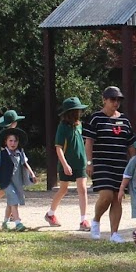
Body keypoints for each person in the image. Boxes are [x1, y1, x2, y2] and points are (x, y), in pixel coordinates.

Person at [84, 89, 134, 242]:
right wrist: (89, 162)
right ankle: (96, 220)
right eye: (112, 99)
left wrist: (134, 164)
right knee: (106, 195)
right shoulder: (95, 118)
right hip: (101, 163)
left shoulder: (124, 120)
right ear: (104, 100)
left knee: (117, 199)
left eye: (118, 100)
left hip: (120, 164)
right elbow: (89, 142)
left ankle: (114, 233)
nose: (116, 103)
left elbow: (131, 144)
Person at [47, 97, 90, 230]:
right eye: (76, 111)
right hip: (67, 164)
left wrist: (87, 161)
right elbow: (58, 147)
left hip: (80, 163)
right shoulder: (62, 127)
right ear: (69, 113)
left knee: (82, 189)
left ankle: (84, 220)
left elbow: (82, 144)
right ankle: (50, 214)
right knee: (63, 190)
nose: (79, 113)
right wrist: (65, 164)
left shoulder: (80, 125)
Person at [0, 125, 34, 231]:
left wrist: (32, 174)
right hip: (6, 181)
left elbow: (25, 163)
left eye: (15, 141)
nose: (13, 143)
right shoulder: (2, 154)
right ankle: (18, 223)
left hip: (17, 181)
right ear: (6, 142)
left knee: (10, 202)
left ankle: (5, 222)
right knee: (14, 199)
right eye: (10, 141)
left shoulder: (20, 152)